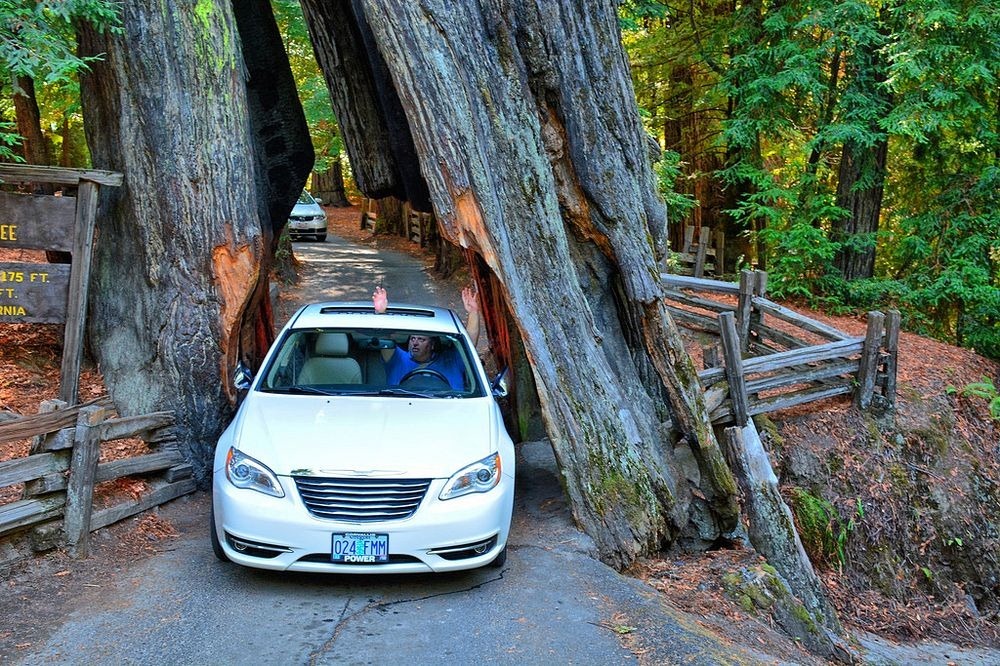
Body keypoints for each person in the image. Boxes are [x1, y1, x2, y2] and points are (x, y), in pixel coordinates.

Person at [372, 285, 481, 389]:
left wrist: (473, 312)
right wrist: (381, 314)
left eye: (421, 339)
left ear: (432, 345)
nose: (415, 343)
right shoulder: (398, 359)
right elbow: (384, 339)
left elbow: (469, 344)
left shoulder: (452, 360)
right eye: (412, 339)